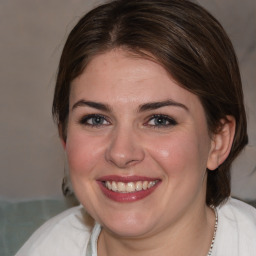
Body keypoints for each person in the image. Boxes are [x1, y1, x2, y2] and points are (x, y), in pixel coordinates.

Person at [16, 0, 256, 255]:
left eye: (159, 120)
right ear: (65, 135)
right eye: (96, 120)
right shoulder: (47, 248)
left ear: (217, 140)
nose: (121, 153)